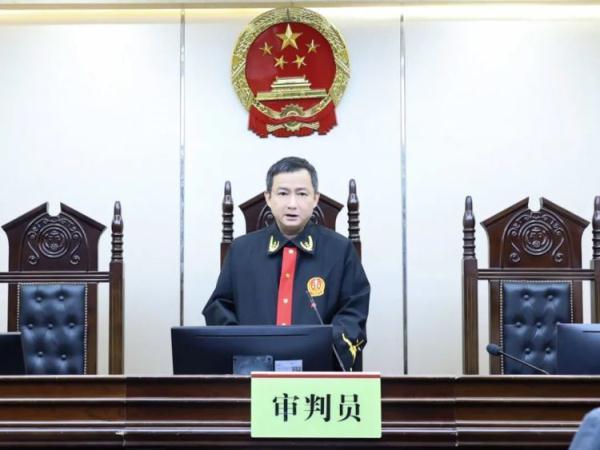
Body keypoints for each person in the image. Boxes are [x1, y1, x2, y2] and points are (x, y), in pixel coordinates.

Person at [203, 156, 370, 371]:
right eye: (283, 193)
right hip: (253, 373)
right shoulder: (241, 250)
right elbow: (218, 308)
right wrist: (244, 348)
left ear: (315, 199)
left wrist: (321, 350)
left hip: (318, 374)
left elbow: (354, 312)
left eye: (302, 194)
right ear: (268, 197)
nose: (292, 204)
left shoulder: (340, 250)